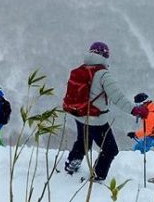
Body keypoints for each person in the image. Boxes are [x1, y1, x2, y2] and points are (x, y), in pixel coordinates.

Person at [62, 41, 148, 181]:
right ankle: (98, 176)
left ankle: (72, 163)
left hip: (79, 114)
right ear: (105, 55)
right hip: (97, 119)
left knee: (83, 141)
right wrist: (135, 110)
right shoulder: (104, 75)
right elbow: (118, 98)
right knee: (110, 149)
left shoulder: (81, 69)